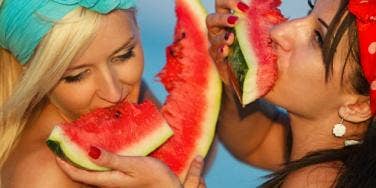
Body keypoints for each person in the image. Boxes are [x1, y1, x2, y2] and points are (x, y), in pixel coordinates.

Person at [0, 0, 205, 187]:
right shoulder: (45, 176)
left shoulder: (133, 92)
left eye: (124, 56)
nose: (114, 93)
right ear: (32, 71)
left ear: (137, 24)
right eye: (77, 76)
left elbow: (192, 160)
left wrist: (229, 77)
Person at [207, 0, 376, 187]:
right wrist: (233, 76)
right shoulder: (341, 164)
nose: (280, 31)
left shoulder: (314, 181)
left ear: (358, 106)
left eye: (318, 38)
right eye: (309, 11)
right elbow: (255, 143)